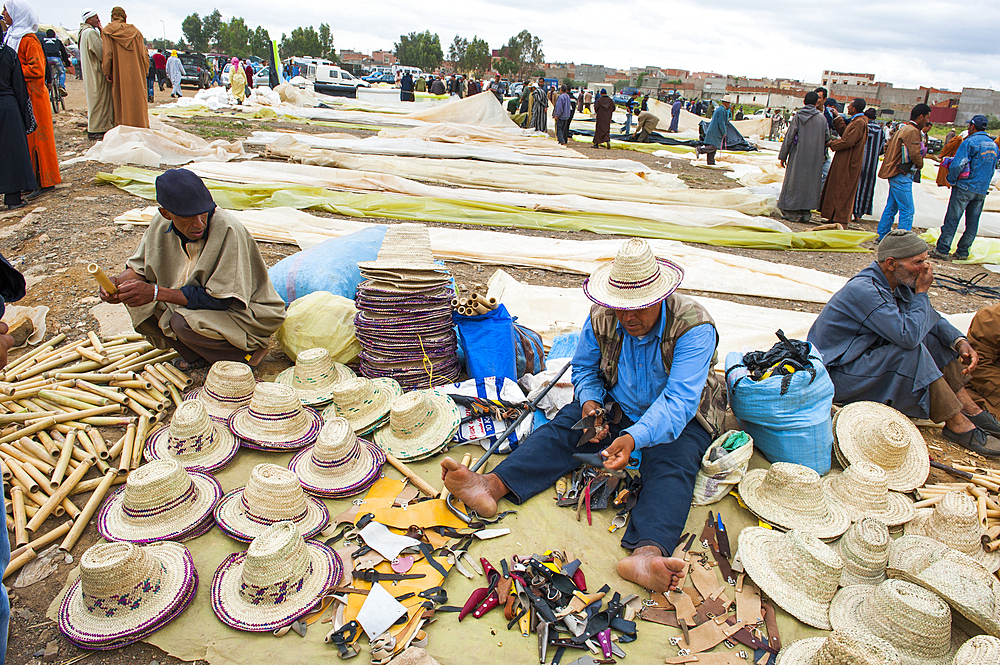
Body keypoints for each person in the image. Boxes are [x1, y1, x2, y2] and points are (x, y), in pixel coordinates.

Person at [441, 238, 726, 594]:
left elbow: (679, 401)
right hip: (617, 405)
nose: (629, 318)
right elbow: (586, 370)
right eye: (621, 308)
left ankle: (647, 554)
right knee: (565, 429)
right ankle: (491, 485)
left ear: (660, 298)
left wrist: (635, 437)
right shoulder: (602, 315)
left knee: (672, 463)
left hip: (677, 417)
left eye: (639, 308)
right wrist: (591, 402)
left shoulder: (693, 326)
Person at [808, 230, 1000, 457]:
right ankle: (958, 424)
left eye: (926, 260)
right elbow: (908, 337)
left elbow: (930, 318)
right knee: (912, 349)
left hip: (864, 362)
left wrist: (959, 341)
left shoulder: (898, 283)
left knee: (930, 336)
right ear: (890, 264)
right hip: (837, 375)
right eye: (918, 262)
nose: (926, 269)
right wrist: (921, 292)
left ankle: (970, 409)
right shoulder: (865, 290)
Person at [99, 169, 286, 370]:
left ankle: (246, 356)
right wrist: (117, 284)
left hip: (244, 312)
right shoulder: (159, 224)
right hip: (193, 304)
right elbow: (139, 270)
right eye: (187, 217)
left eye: (203, 214)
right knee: (136, 297)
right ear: (166, 213)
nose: (198, 223)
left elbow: (221, 300)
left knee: (181, 322)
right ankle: (198, 357)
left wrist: (155, 293)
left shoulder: (228, 229)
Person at [3, 0, 60, 200]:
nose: (3, 13)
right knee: (26, 138)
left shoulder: (28, 39)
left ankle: (45, 180)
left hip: (34, 95)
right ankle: (30, 180)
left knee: (38, 137)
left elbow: (37, 69)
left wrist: (13, 71)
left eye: (6, 10)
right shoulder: (13, 37)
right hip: (23, 93)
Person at [930, 115, 1000, 262]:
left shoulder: (970, 142)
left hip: (964, 187)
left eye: (969, 126)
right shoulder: (993, 145)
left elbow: (958, 164)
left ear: (972, 127)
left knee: (952, 219)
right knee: (973, 223)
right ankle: (963, 252)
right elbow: (993, 167)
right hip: (981, 190)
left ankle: (942, 249)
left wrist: (951, 179)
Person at [876, 104, 930, 240]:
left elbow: (888, 146)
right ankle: (902, 241)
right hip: (902, 173)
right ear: (921, 116)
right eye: (927, 117)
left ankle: (882, 235)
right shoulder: (912, 131)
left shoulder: (904, 128)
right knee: (907, 210)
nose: (927, 121)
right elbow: (914, 153)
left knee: (891, 207)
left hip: (895, 172)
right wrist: (920, 164)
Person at [777, 91, 830, 222]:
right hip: (815, 158)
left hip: (798, 155)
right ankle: (806, 213)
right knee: (811, 183)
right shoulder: (822, 119)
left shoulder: (798, 117)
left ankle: (792, 213)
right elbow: (827, 138)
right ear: (816, 103)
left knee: (795, 181)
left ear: (804, 102)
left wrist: (783, 155)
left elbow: (789, 136)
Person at [819, 98, 869, 225]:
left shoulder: (859, 123)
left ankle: (839, 218)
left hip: (848, 161)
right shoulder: (856, 121)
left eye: (850, 106)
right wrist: (837, 118)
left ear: (855, 108)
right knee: (837, 186)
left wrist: (832, 143)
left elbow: (848, 141)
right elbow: (846, 133)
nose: (848, 108)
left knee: (842, 188)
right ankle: (833, 215)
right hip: (845, 159)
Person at [0, 39, 36, 210]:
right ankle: (13, 199)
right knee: (12, 151)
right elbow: (19, 88)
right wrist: (26, 117)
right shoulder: (8, 53)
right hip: (8, 107)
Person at [101, 7, 147, 129]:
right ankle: (140, 125)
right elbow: (144, 55)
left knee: (121, 99)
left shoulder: (107, 31)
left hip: (119, 72)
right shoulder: (135, 32)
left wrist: (106, 71)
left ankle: (124, 127)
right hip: (137, 72)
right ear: (124, 16)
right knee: (137, 99)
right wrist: (145, 71)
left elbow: (107, 54)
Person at [78, 9, 113, 139]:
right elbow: (101, 52)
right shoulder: (91, 33)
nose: (98, 20)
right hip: (96, 72)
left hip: (89, 71)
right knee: (100, 100)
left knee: (95, 99)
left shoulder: (83, 33)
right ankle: (97, 129)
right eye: (96, 18)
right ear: (89, 20)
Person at [697, 98, 730, 165]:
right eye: (729, 103)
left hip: (713, 130)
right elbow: (721, 122)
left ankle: (711, 162)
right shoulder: (722, 110)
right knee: (713, 146)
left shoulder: (720, 109)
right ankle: (700, 150)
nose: (729, 105)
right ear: (725, 103)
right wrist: (724, 132)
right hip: (715, 131)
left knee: (711, 146)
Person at [41, 28, 69, 96]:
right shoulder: (58, 41)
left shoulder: (42, 41)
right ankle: (61, 86)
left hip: (45, 59)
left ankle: (46, 86)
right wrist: (67, 63)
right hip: (56, 59)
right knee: (61, 72)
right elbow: (64, 53)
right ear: (54, 35)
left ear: (46, 36)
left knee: (45, 73)